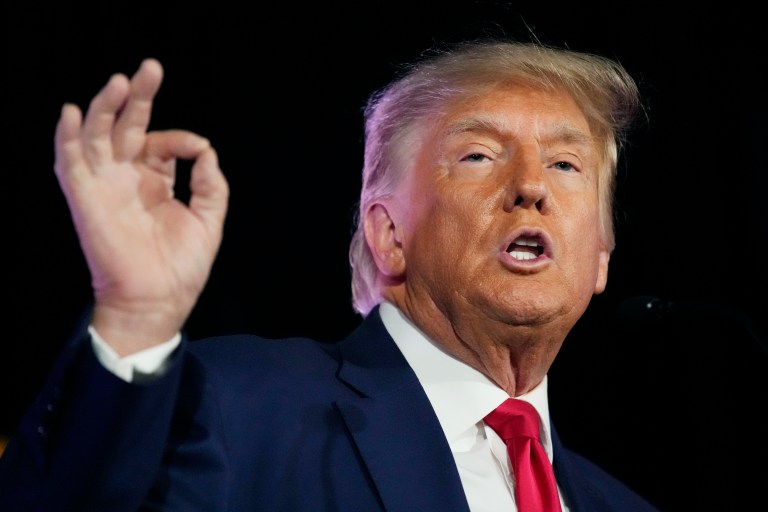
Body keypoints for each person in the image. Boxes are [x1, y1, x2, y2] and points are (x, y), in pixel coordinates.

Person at [0, 38, 660, 511]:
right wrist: (135, 319)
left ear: (601, 254)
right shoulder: (236, 404)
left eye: (566, 166)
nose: (529, 189)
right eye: (480, 155)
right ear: (389, 235)